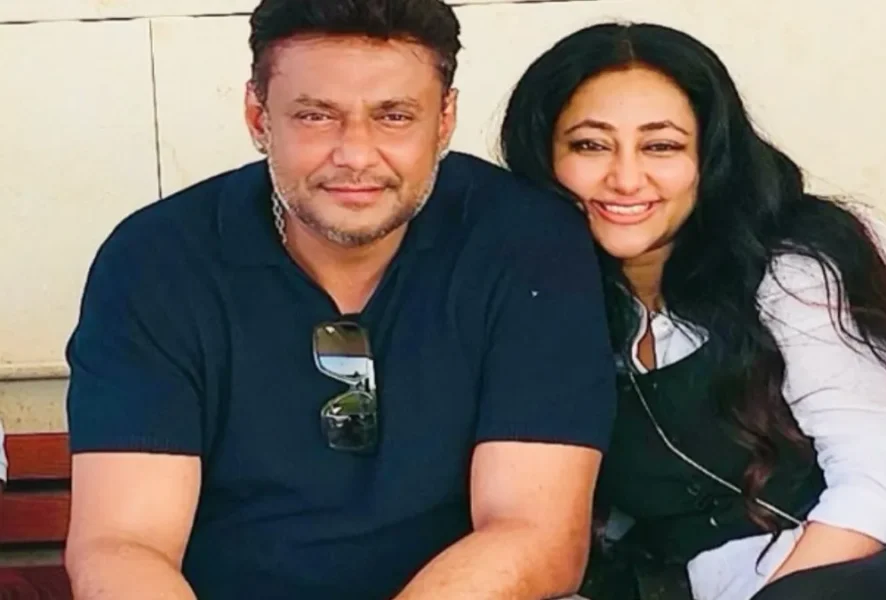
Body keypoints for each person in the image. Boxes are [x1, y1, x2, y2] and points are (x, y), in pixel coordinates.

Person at [63, 1, 617, 598]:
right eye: (315, 116)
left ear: (445, 120)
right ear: (258, 117)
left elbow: (534, 532)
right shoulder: (158, 260)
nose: (356, 154)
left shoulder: (525, 243)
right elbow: (125, 543)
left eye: (394, 116)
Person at [500, 22, 886, 600]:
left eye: (661, 146)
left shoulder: (789, 269)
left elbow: (881, 476)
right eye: (591, 145)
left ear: (709, 155)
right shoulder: (545, 297)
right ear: (545, 157)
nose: (626, 178)